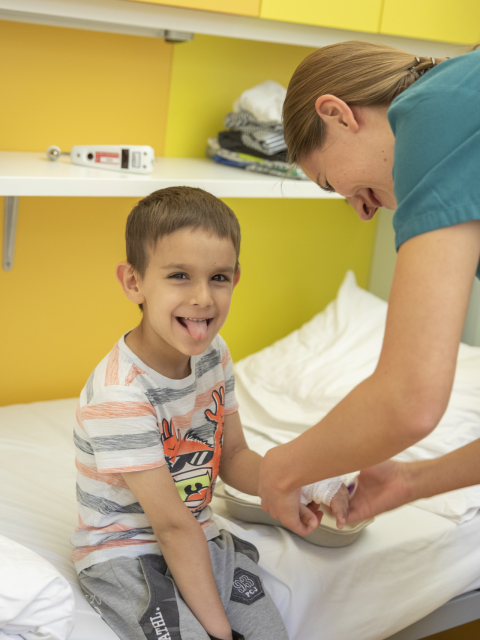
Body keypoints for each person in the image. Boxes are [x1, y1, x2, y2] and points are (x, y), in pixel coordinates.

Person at [71, 186, 348, 640]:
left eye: (218, 277)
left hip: (200, 537)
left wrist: (309, 483)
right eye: (180, 275)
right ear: (134, 282)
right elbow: (170, 526)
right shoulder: (118, 393)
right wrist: (220, 633)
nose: (203, 297)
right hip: (126, 555)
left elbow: (234, 457)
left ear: (236, 279)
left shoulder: (213, 355)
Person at [258, 41, 480, 535]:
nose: (361, 211)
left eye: (326, 180)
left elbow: (409, 401)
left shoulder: (434, 112)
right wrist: (410, 480)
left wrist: (281, 468)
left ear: (337, 114)